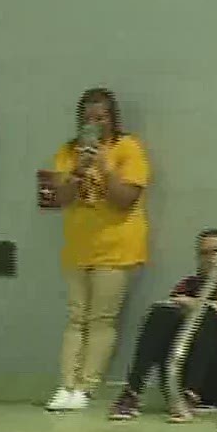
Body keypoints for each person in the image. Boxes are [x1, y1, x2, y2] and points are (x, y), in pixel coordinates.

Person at [44, 88, 151, 412]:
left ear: (112, 118)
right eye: (87, 118)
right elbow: (57, 199)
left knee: (101, 319)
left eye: (100, 117)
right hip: (78, 247)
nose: (94, 123)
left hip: (117, 248)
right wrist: (77, 171)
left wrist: (104, 168)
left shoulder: (127, 148)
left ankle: (87, 387)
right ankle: (66, 385)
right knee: (75, 318)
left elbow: (125, 200)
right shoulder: (68, 151)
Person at [108, 228, 217, 423]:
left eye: (216, 252)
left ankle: (191, 396)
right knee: (161, 313)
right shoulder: (189, 284)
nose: (210, 258)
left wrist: (200, 305)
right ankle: (132, 392)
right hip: (181, 377)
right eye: (204, 253)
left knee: (208, 316)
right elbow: (172, 309)